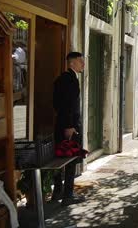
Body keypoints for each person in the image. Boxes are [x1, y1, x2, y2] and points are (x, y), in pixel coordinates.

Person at [52, 52, 86, 206]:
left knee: (61, 157)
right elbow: (67, 105)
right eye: (80, 62)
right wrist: (69, 126)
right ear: (72, 63)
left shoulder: (63, 78)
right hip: (69, 126)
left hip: (63, 123)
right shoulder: (69, 80)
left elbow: (57, 104)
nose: (83, 65)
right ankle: (67, 195)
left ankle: (58, 191)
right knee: (70, 159)